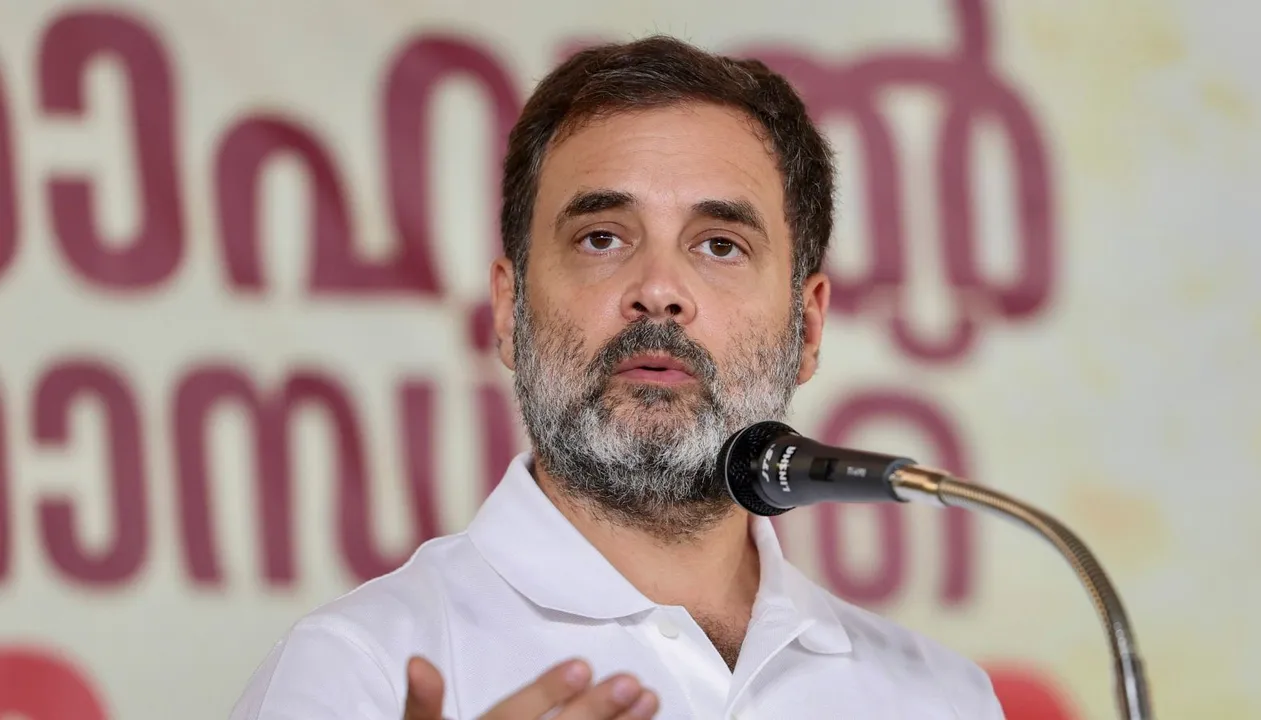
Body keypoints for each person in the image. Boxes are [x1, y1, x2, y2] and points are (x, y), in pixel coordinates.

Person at [229, 35, 1005, 720]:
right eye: (602, 238)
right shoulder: (358, 671)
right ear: (509, 311)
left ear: (808, 327)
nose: (658, 287)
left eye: (720, 245)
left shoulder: (937, 697)